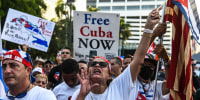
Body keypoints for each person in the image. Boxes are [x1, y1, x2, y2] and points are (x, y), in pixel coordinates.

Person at [71, 8, 165, 100]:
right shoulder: (79, 93)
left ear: (109, 75)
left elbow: (137, 61)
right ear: (88, 72)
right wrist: (82, 95)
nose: (97, 65)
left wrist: (148, 28)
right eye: (93, 64)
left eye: (103, 65)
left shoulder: (118, 86)